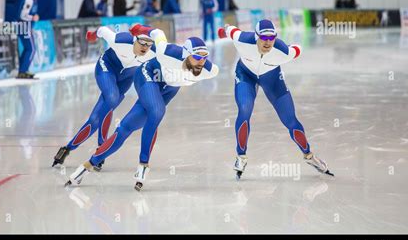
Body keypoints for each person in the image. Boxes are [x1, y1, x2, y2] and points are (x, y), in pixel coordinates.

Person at [65, 25, 219, 190]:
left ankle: (86, 166)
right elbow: (158, 32)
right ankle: (143, 164)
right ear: (186, 55)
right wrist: (142, 29)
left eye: (205, 57)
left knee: (125, 127)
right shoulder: (166, 52)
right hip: (148, 75)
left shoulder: (210, 70)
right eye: (197, 57)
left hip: (169, 88)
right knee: (157, 111)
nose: (202, 62)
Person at [218, 19, 333, 179]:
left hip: (272, 78)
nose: (268, 42)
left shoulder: (282, 51)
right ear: (256, 37)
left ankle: (309, 156)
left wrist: (297, 47)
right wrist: (223, 30)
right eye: (264, 38)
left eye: (271, 38)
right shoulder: (243, 40)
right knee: (244, 109)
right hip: (246, 75)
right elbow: (230, 29)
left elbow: (297, 49)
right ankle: (241, 156)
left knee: (290, 120)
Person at [52, 25, 160, 168]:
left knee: (96, 118)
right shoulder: (120, 40)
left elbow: (171, 56)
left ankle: (67, 149)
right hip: (107, 68)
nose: (145, 47)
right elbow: (102, 30)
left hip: (126, 78)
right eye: (142, 43)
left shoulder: (154, 52)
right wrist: (92, 35)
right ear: (135, 40)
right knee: (112, 98)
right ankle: (101, 145)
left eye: (148, 44)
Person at [16, 0, 40, 79]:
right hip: (24, 27)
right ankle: (23, 71)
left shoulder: (33, 0)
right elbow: (22, 15)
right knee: (31, 49)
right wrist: (33, 17)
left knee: (28, 49)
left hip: (25, 27)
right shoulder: (29, 0)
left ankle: (22, 71)